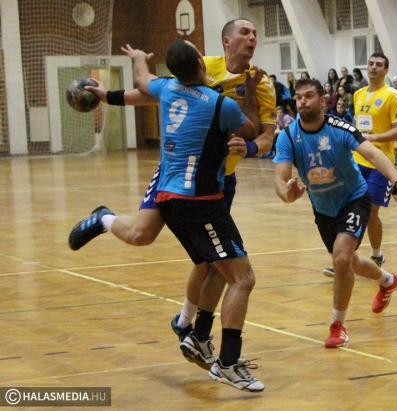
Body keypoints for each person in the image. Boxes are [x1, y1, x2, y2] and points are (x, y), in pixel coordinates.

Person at [68, 18, 275, 370]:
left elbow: (264, 135)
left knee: (212, 262)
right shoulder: (203, 67)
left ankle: (187, 323)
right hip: (173, 174)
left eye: (256, 32)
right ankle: (104, 219)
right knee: (141, 235)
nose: (252, 37)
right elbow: (149, 92)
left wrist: (251, 147)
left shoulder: (263, 83)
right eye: (245, 32)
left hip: (216, 182)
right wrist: (108, 96)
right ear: (226, 41)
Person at [109, 39, 264, 391]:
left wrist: (137, 58)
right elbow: (252, 130)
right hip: (199, 201)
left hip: (169, 196)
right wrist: (250, 93)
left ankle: (198, 336)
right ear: (201, 63)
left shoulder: (167, 88)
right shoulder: (219, 103)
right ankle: (227, 363)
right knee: (243, 278)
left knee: (220, 268)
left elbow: (142, 80)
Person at [274, 78, 397, 347]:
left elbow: (374, 155)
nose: (303, 101)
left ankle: (337, 325)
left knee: (341, 256)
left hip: (354, 198)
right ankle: (388, 280)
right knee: (349, 261)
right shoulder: (288, 136)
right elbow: (280, 179)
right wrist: (287, 194)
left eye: (309, 96)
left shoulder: (340, 128)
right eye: (299, 97)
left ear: (323, 100)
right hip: (323, 207)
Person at [323, 53, 397, 278]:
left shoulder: (392, 95)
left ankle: (376, 255)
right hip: (356, 161)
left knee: (370, 212)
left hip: (381, 162)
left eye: (379, 65)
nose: (374, 67)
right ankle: (345, 258)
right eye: (371, 64)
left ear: (386, 71)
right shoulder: (358, 94)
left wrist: (372, 138)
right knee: (348, 210)